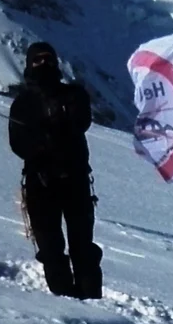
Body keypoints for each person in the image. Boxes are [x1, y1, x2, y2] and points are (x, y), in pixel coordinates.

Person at [7, 40, 102, 298]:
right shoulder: (22, 104)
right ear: (29, 64)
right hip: (40, 182)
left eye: (48, 59)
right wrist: (40, 145)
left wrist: (54, 128)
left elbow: (81, 121)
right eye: (37, 60)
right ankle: (63, 299)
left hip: (76, 180)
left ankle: (91, 299)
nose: (43, 64)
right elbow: (17, 143)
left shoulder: (73, 95)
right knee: (50, 247)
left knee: (82, 246)